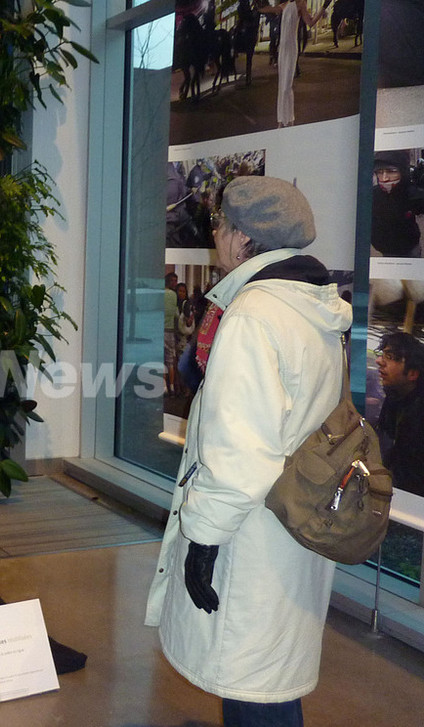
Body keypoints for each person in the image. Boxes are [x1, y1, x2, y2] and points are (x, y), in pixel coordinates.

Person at [146, 176, 352, 727]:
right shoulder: (313, 308)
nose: (215, 235)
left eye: (219, 225)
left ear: (242, 239)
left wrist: (203, 542)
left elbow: (239, 455)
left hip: (250, 531)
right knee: (270, 677)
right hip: (293, 518)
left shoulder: (253, 316)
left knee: (252, 685)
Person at [260, 0, 332, 127]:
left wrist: (324, 6)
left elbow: (310, 22)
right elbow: (270, 9)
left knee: (287, 86)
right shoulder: (284, 5)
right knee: (281, 86)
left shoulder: (301, 4)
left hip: (291, 48)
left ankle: (290, 119)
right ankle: (281, 121)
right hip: (282, 49)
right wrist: (258, 8)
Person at [375, 331, 424, 497]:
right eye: (382, 354)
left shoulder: (418, 412)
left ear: (412, 373)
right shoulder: (395, 397)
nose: (379, 361)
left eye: (390, 356)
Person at [370, 150, 424, 258]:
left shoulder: (411, 193)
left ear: (402, 172)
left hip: (410, 249)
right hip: (386, 251)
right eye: (380, 172)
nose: (385, 178)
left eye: (391, 171)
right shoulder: (373, 195)